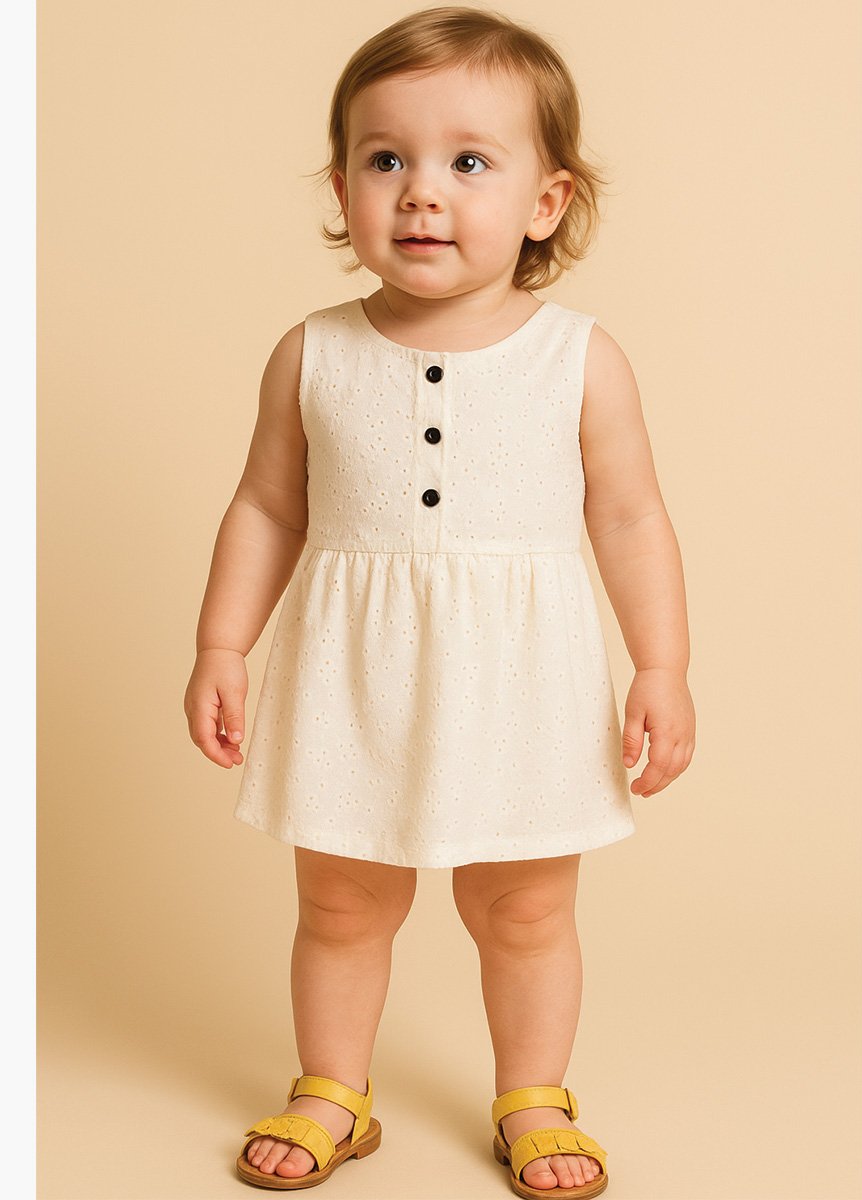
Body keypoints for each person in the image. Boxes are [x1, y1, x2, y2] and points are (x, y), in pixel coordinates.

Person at [183, 6, 696, 1196]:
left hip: (522, 683)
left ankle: (534, 1094)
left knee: (526, 909)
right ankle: (333, 1087)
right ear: (343, 187)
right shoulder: (311, 353)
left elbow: (631, 518)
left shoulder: (579, 359)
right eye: (386, 159)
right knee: (341, 900)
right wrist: (222, 644)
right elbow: (267, 506)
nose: (421, 191)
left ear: (545, 202)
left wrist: (663, 666)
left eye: (468, 161)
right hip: (354, 678)